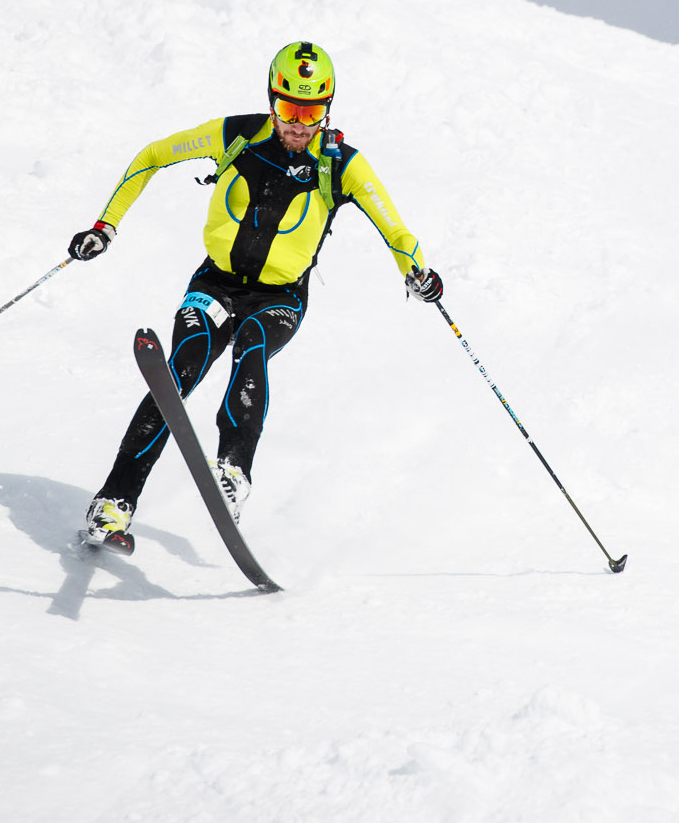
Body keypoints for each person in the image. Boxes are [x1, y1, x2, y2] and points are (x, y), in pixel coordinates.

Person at [66, 41, 442, 554]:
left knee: (252, 339)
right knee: (183, 367)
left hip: (279, 299)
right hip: (214, 284)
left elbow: (395, 230)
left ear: (327, 110)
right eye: (289, 109)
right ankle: (113, 504)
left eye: (311, 112)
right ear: (272, 102)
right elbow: (153, 156)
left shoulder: (341, 165)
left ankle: (234, 469)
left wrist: (417, 272)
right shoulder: (237, 135)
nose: (298, 125)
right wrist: (105, 225)